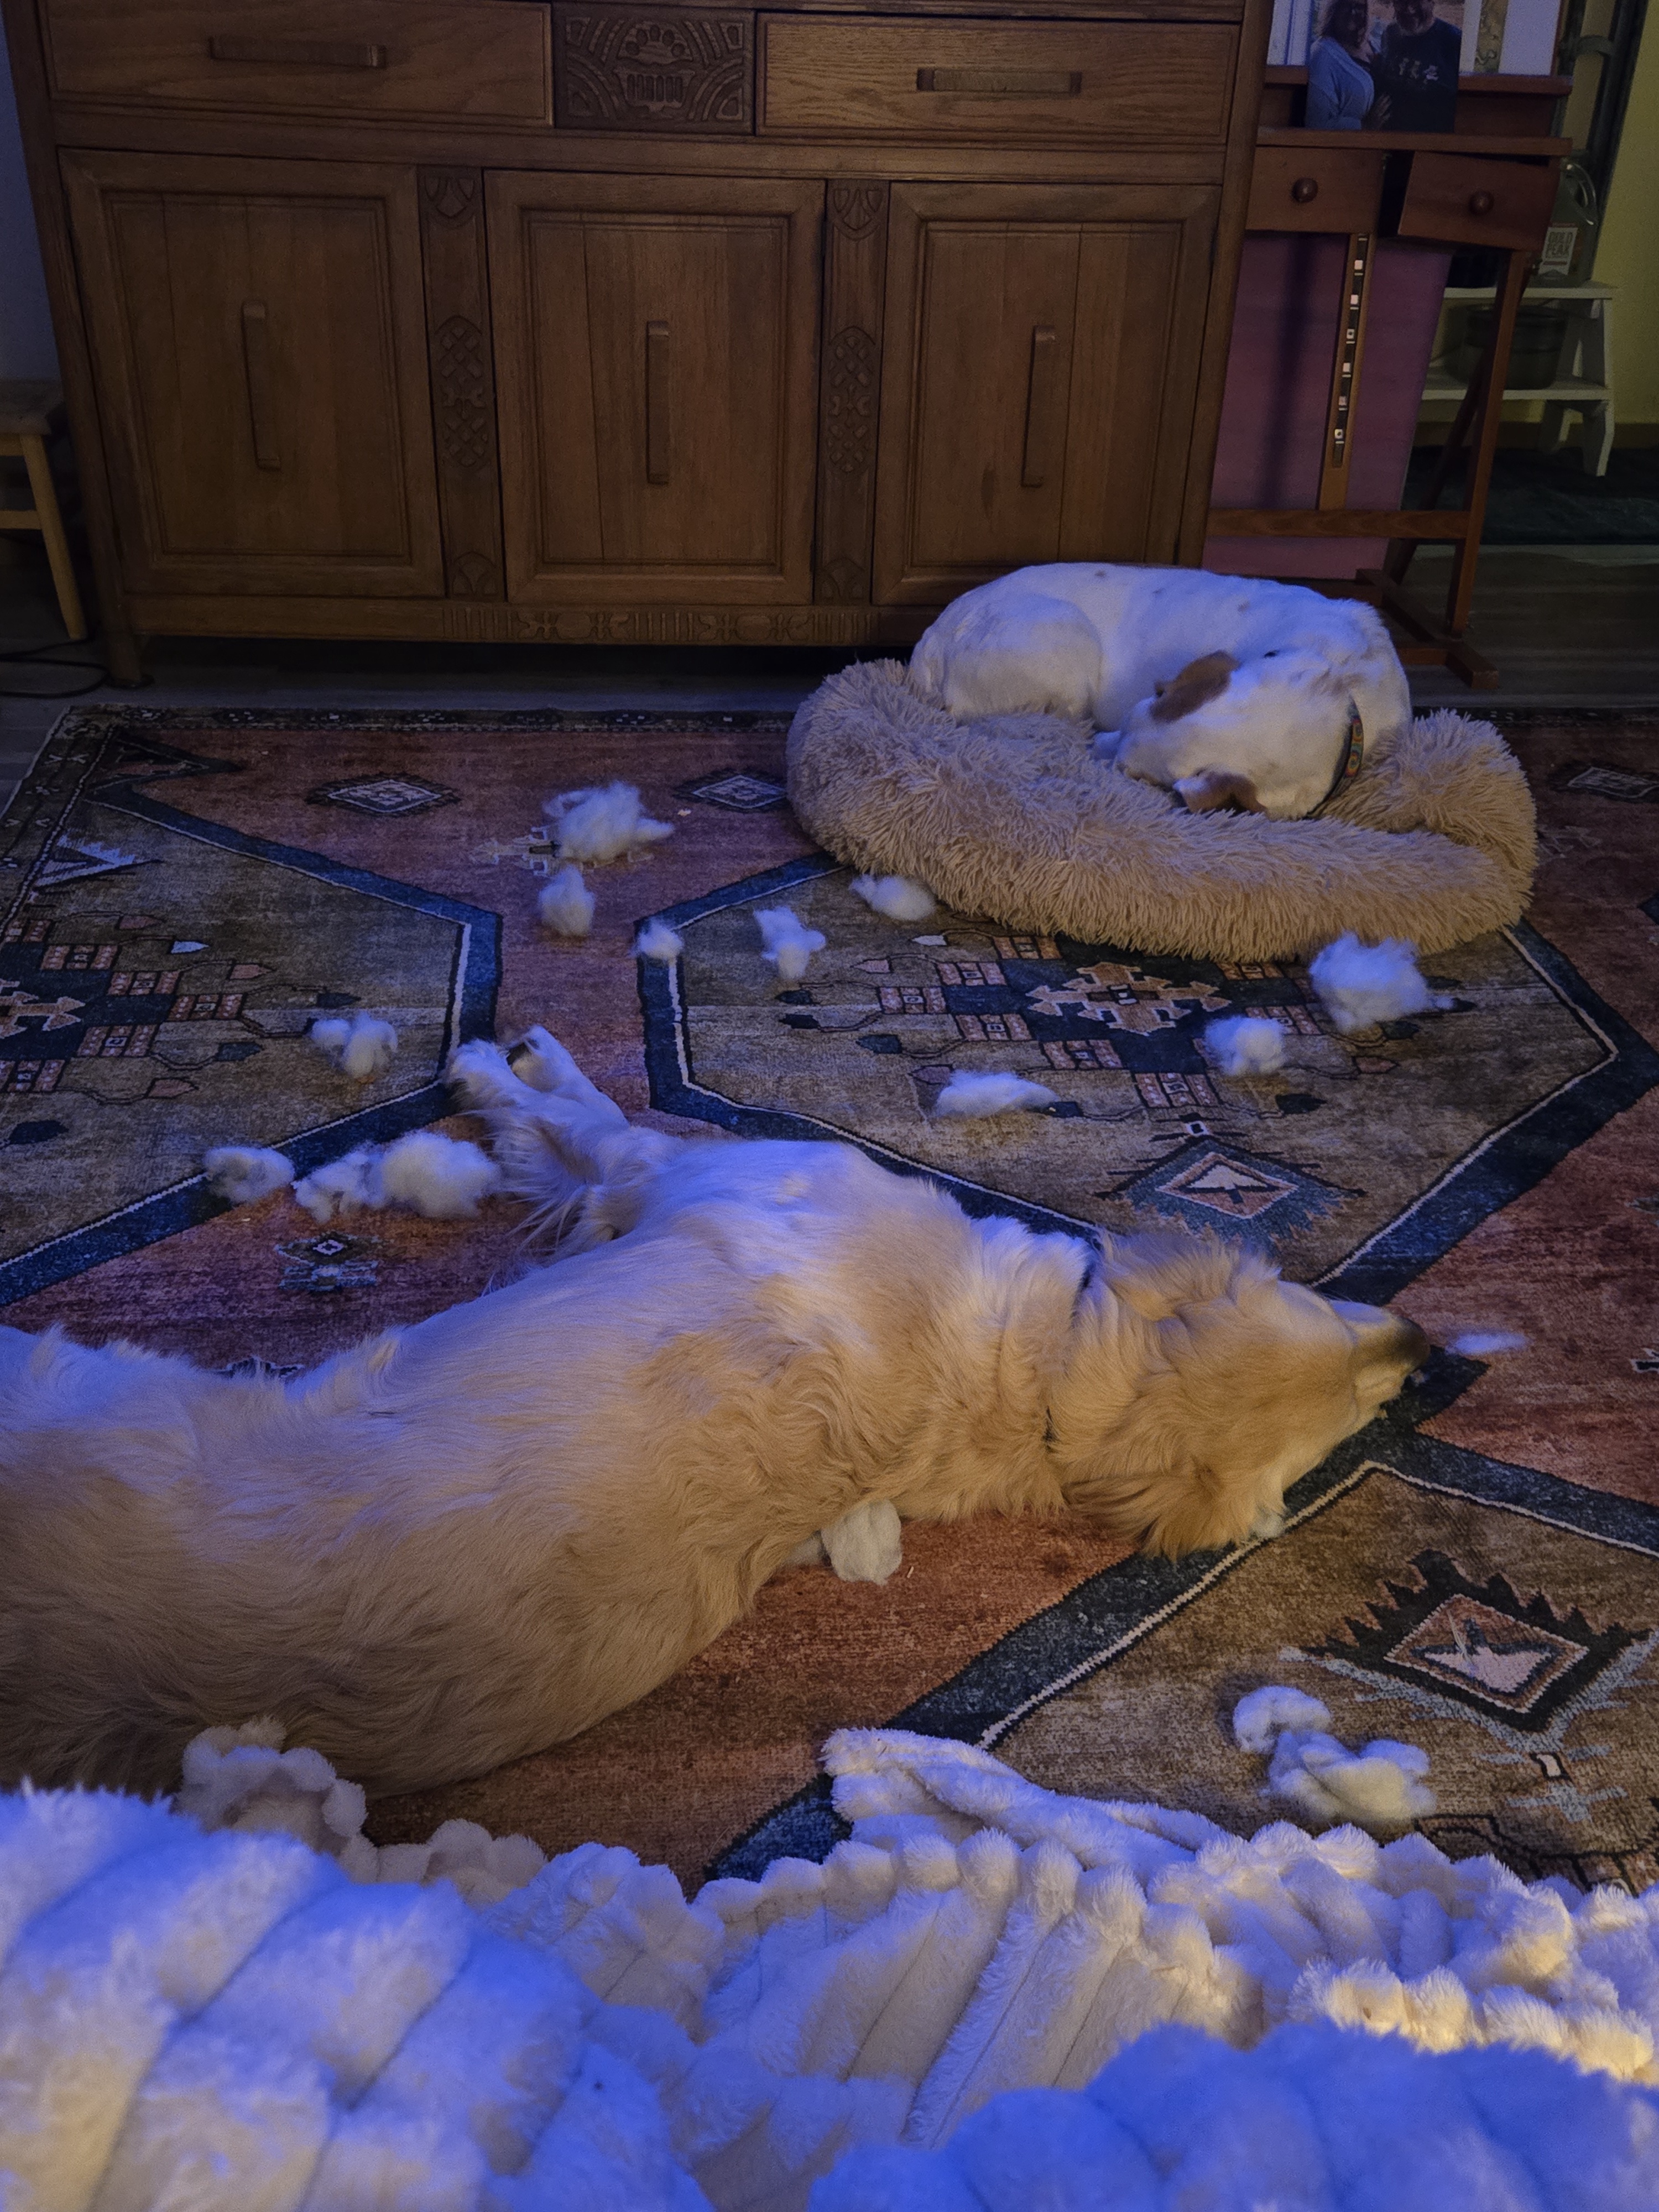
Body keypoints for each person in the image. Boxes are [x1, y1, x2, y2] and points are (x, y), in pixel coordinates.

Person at [1368, 0, 1460, 132]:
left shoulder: (1453, 41)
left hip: (1430, 144)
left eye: (1416, 2)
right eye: (1402, 3)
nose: (1409, 9)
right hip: (1390, 141)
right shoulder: (1390, 34)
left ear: (1432, 2)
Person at [1306, 0, 1377, 131]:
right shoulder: (1321, 55)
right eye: (1346, 5)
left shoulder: (1373, 44)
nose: (1353, 12)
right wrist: (1364, 126)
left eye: (1359, 7)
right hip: (1348, 147)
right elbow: (1316, 124)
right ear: (1333, 10)